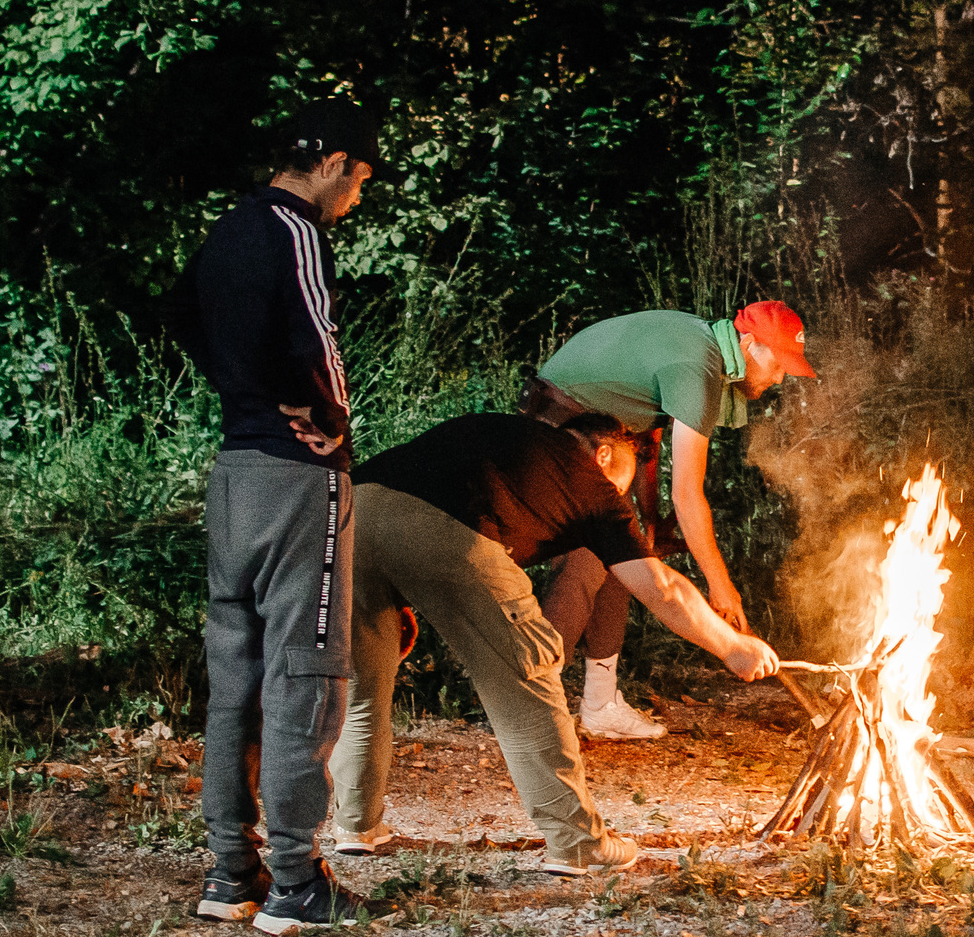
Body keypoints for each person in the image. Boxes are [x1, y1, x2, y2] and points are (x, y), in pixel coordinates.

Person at [328, 412, 781, 872]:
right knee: (527, 675)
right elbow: (661, 588)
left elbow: (409, 503)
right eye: (621, 483)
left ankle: (356, 825)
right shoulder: (589, 480)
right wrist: (732, 646)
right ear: (603, 454)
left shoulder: (507, 435)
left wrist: (399, 584)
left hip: (350, 516)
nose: (619, 496)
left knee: (362, 689)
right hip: (451, 531)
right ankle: (578, 842)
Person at [169, 99, 382, 937]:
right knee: (306, 668)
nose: (356, 196)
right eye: (359, 178)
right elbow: (317, 336)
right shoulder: (295, 229)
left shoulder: (228, 228)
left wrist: (245, 393)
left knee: (237, 674)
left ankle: (231, 871)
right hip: (297, 479)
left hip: (234, 470)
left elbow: (178, 311)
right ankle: (296, 879)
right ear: (331, 163)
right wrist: (326, 418)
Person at [521, 303, 816, 739]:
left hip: (600, 434)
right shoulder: (699, 366)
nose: (780, 379)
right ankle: (527, 710)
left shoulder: (705, 346)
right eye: (778, 365)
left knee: (626, 555)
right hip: (561, 428)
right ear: (749, 344)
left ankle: (600, 704)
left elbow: (646, 434)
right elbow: (688, 495)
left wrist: (650, 518)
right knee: (585, 564)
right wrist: (721, 586)